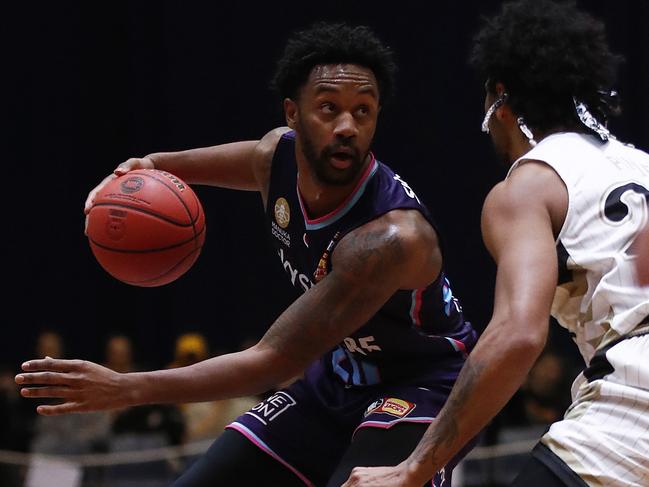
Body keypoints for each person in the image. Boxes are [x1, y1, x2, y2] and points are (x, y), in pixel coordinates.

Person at [15, 22, 478, 486]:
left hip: (428, 386)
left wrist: (126, 387)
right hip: (344, 375)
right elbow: (243, 160)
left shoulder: (390, 240)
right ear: (292, 113)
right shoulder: (276, 154)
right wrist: (144, 169)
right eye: (329, 108)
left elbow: (271, 361)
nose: (346, 127)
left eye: (363, 111)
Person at [342, 1, 649, 486]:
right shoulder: (640, 163)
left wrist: (414, 467)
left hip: (633, 401)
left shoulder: (528, 185)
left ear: (500, 100)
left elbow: (519, 334)